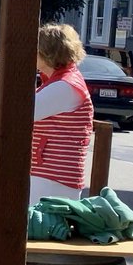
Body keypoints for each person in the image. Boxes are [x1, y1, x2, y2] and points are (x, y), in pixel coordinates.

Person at [29, 24, 94, 204]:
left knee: (40, 221)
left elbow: (21, 113)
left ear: (47, 52)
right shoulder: (62, 82)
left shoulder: (64, 86)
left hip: (53, 175)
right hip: (50, 172)